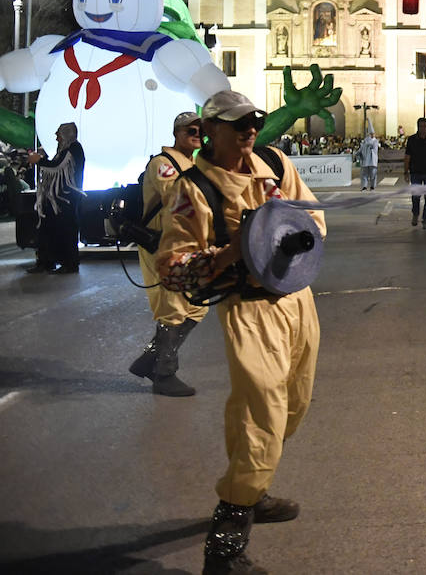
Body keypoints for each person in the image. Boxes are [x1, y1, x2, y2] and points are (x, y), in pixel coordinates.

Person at [156, 90, 325, 575]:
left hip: (298, 301)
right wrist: (235, 249)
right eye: (238, 123)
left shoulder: (274, 161)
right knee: (260, 415)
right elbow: (175, 269)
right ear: (211, 129)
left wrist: (291, 232)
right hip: (250, 310)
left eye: (255, 119)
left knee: (293, 405)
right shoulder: (194, 189)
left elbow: (312, 219)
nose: (251, 129)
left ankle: (256, 484)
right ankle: (225, 548)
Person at [128, 111, 208, 397]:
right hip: (165, 244)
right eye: (190, 130)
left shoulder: (196, 163)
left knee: (198, 305)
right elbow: (178, 199)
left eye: (200, 130)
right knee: (173, 307)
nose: (197, 134)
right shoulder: (164, 164)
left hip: (189, 245)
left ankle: (151, 357)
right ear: (177, 132)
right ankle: (164, 372)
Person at [29, 121, 85, 274]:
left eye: (58, 134)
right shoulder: (64, 150)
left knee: (65, 231)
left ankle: (69, 263)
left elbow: (58, 166)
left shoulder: (74, 149)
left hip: (66, 199)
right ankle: (46, 261)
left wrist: (39, 161)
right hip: (56, 199)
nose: (56, 138)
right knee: (49, 230)